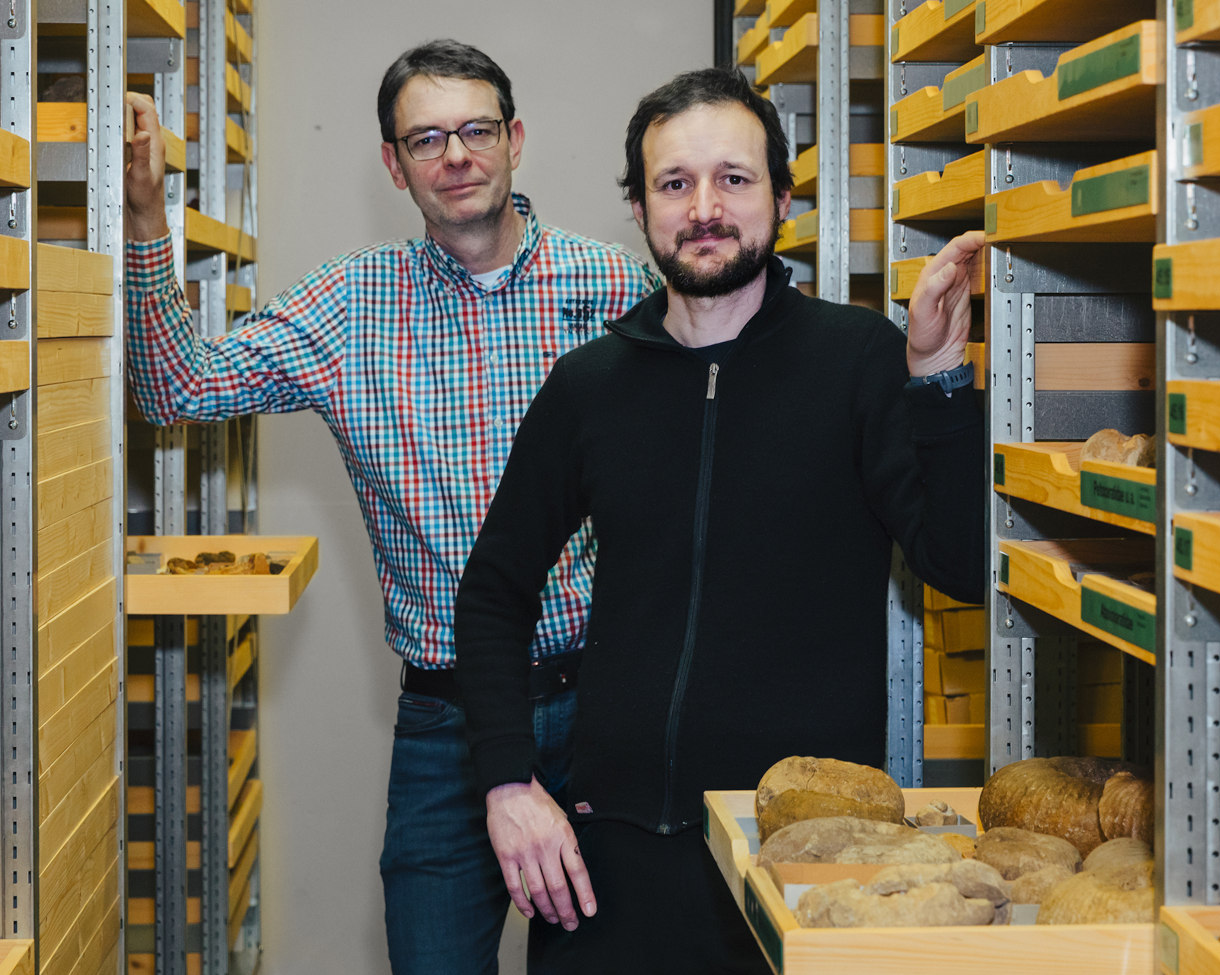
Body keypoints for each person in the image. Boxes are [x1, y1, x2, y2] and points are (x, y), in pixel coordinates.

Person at [122, 39, 658, 975]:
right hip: (448, 726)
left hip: (611, 704)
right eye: (425, 139)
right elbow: (176, 386)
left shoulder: (614, 285)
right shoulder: (349, 306)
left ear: (515, 138)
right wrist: (143, 222)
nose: (455, 155)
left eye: (475, 129)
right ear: (392, 162)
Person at [454, 66, 986, 973]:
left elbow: (963, 565)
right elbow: (493, 590)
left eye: (733, 179)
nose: (705, 207)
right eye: (675, 183)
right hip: (608, 867)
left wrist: (936, 379)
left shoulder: (855, 360)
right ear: (638, 205)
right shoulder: (591, 385)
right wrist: (509, 781)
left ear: (781, 198)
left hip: (806, 861)